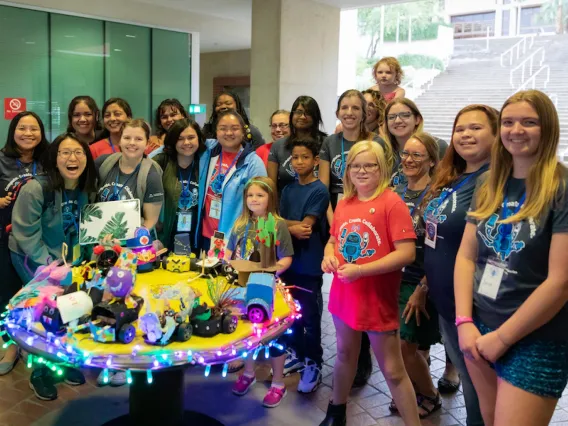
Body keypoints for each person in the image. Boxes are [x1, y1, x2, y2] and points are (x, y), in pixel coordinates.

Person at [456, 90, 568, 426]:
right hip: (480, 326)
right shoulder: (491, 183)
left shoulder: (560, 187)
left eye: (529, 122)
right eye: (508, 122)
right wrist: (464, 322)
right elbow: (466, 256)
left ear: (547, 129)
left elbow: (560, 282)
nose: (516, 130)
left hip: (535, 337)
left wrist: (503, 338)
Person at [319, 140, 420, 426]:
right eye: (355, 166)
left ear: (382, 168)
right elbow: (333, 240)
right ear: (347, 170)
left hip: (376, 299)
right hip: (344, 295)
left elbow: (407, 253)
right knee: (344, 355)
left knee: (393, 370)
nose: (362, 171)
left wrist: (361, 271)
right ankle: (335, 412)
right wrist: (329, 256)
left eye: (369, 165)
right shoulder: (345, 204)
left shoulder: (392, 203)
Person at [422, 104, 499, 426]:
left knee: (483, 397)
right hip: (446, 302)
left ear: (497, 135)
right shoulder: (456, 178)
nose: (465, 135)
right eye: (460, 129)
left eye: (476, 128)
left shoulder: (493, 181)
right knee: (471, 389)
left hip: (474, 310)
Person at [9, 133, 97, 401]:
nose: (73, 158)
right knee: (42, 313)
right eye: (65, 153)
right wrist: (50, 267)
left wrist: (84, 264)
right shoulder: (36, 188)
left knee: (70, 308)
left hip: (68, 260)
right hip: (33, 257)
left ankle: (60, 363)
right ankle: (40, 372)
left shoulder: (87, 187)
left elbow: (88, 231)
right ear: (54, 158)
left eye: (79, 152)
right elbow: (26, 235)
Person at [319, 90, 386, 387]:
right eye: (344, 107)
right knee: (344, 286)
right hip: (338, 217)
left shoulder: (375, 143)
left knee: (366, 288)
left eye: (355, 108)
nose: (349, 112)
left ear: (364, 112)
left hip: (366, 220)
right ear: (337, 112)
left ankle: (364, 356)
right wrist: (337, 224)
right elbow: (324, 189)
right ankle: (349, 352)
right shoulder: (329, 143)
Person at [227, 177, 294, 407]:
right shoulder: (240, 223)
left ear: (270, 198)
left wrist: (274, 271)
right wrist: (226, 264)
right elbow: (228, 251)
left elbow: (286, 256)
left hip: (268, 286)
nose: (254, 200)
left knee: (275, 336)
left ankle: (278, 383)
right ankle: (248, 373)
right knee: (248, 332)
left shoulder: (277, 224)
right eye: (250, 195)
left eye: (260, 195)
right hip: (243, 286)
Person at [391, 132, 441, 418]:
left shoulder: (436, 197)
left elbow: (440, 249)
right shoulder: (395, 191)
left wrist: (424, 287)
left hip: (419, 281)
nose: (408, 160)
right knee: (399, 347)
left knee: (406, 346)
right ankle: (410, 393)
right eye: (406, 154)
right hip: (391, 279)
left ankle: (429, 396)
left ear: (432, 161)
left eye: (417, 155)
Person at [0, 111, 49, 375]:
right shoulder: (1, 160)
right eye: (22, 128)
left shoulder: (47, 160)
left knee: (41, 298)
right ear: (13, 131)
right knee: (7, 296)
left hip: (40, 240)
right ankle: (11, 346)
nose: (28, 133)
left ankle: (42, 346)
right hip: (5, 239)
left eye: (34, 129)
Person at [279, 139, 329, 393]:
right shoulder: (287, 190)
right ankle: (297, 354)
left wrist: (283, 224)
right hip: (286, 261)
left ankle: (314, 362)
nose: (299, 162)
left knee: (310, 316)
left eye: (305, 157)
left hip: (308, 265)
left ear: (315, 160)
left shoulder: (319, 190)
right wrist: (288, 225)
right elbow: (280, 223)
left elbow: (305, 229)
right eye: (295, 157)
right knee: (291, 314)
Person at [196, 110, 266, 253]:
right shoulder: (208, 150)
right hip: (205, 235)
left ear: (243, 132)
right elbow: (180, 143)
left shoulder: (253, 163)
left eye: (234, 128)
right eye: (223, 128)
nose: (228, 133)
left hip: (234, 240)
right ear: (216, 131)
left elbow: (260, 207)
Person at [95, 119, 164, 231]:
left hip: (133, 240)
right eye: (127, 138)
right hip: (100, 237)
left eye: (138, 139)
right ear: (120, 141)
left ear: (147, 144)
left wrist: (129, 241)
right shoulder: (103, 163)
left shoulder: (151, 175)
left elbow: (150, 221)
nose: (132, 142)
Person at [153, 118, 205, 252]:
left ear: (199, 139)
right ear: (173, 140)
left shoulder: (205, 163)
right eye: (180, 138)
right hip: (165, 236)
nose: (186, 143)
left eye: (191, 137)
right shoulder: (161, 162)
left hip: (196, 238)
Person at [268, 96, 327, 196]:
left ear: (315, 116)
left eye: (308, 113)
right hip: (285, 205)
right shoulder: (278, 146)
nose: (302, 117)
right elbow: (271, 185)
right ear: (292, 115)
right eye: (298, 112)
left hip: (316, 203)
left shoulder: (326, 143)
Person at [384, 98, 448, 187]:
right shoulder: (383, 152)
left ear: (417, 119)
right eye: (391, 117)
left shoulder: (438, 146)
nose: (397, 121)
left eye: (405, 115)